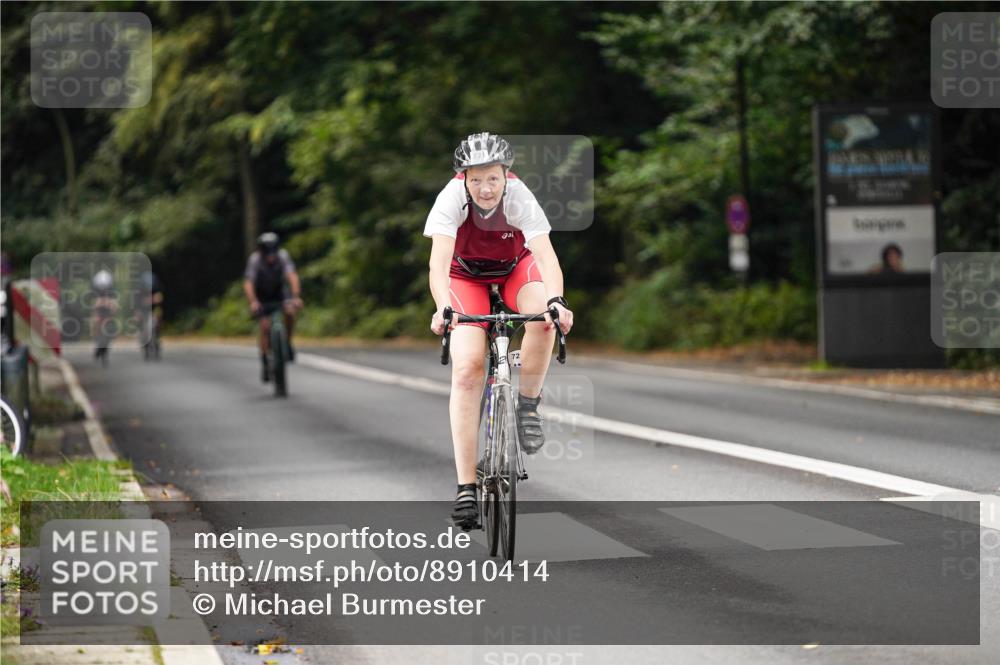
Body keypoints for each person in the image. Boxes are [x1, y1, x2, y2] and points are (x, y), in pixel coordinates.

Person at [425, 132, 574, 528]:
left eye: (492, 178)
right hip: (465, 277)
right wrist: (443, 306)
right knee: (468, 368)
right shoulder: (451, 198)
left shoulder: (520, 196)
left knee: (543, 319)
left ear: (506, 174)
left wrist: (557, 301)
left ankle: (526, 406)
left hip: (514, 269)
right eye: (475, 179)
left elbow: (546, 256)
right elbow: (438, 264)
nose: (485, 188)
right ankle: (465, 489)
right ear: (463, 179)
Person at [243, 232, 303, 382]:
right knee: (264, 327)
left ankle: (287, 343)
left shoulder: (283, 256)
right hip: (262, 295)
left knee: (289, 313)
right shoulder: (255, 260)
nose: (270, 256)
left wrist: (295, 296)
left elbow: (292, 276)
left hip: (279, 293)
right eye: (267, 252)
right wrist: (253, 302)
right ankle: (264, 361)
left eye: (273, 251)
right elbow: (249, 283)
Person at [91, 269, 118, 363]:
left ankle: (108, 339)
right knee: (95, 321)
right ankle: (97, 342)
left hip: (108, 312)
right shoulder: (94, 290)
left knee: (111, 325)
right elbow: (94, 306)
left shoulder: (112, 290)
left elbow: (114, 305)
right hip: (99, 311)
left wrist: (111, 308)